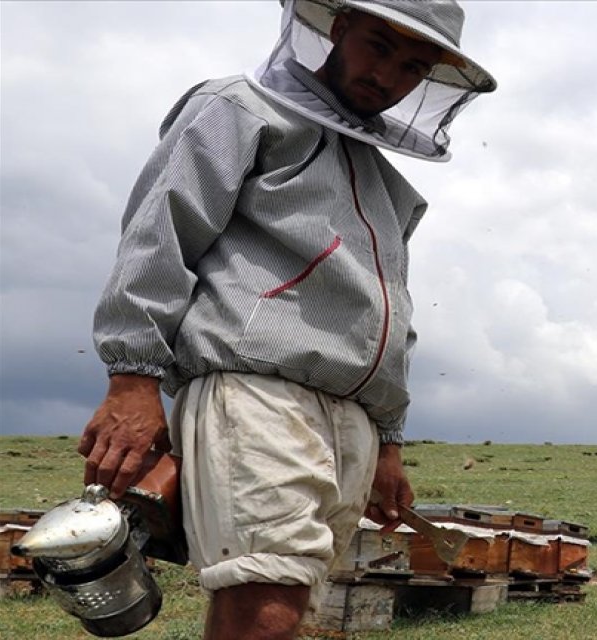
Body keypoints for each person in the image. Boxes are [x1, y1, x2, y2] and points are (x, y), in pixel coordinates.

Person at [76, 1, 495, 637]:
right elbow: (160, 233)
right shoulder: (238, 108)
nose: (388, 75)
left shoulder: (383, 183)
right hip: (257, 393)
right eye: (378, 46)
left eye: (412, 65)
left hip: (350, 420)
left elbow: (389, 310)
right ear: (341, 27)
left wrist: (388, 441)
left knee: (296, 610)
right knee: (265, 600)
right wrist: (132, 379)